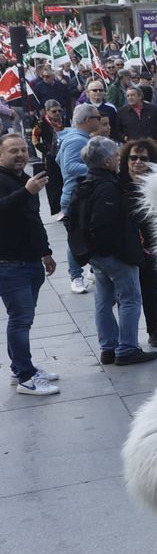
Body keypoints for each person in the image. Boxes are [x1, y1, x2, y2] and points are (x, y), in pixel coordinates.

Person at [72, 136, 157, 367]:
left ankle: (108, 347)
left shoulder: (87, 183)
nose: (118, 159)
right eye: (115, 155)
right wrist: (120, 252)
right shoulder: (107, 187)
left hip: (97, 255)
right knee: (130, 299)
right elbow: (105, 225)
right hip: (114, 255)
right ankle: (127, 348)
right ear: (107, 161)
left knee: (103, 299)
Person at [0, 133, 58, 395]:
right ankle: (26, 378)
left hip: (31, 261)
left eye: (23, 150)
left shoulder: (25, 179)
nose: (21, 155)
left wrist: (45, 251)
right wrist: (26, 192)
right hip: (10, 264)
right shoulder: (12, 182)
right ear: (1, 155)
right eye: (13, 151)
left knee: (24, 318)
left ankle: (21, 367)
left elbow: (33, 219)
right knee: (20, 320)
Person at [118, 139, 157, 348]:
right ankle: (125, 337)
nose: (138, 162)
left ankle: (154, 330)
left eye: (143, 158)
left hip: (150, 246)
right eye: (133, 158)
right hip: (125, 246)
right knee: (124, 294)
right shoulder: (118, 183)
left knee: (150, 289)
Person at [57, 103, 102, 294]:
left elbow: (59, 160)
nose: (100, 121)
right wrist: (98, 167)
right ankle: (76, 276)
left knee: (88, 234)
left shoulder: (77, 138)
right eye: (97, 118)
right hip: (75, 196)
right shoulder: (76, 140)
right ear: (87, 120)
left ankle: (91, 270)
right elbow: (69, 166)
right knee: (76, 238)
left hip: (82, 194)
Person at [30, 100, 64, 216]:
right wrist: (47, 151)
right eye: (54, 111)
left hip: (63, 153)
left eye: (59, 111)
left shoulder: (63, 120)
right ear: (47, 111)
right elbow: (35, 140)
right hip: (50, 157)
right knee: (53, 183)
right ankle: (57, 209)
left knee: (64, 180)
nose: (57, 113)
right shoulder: (40, 123)